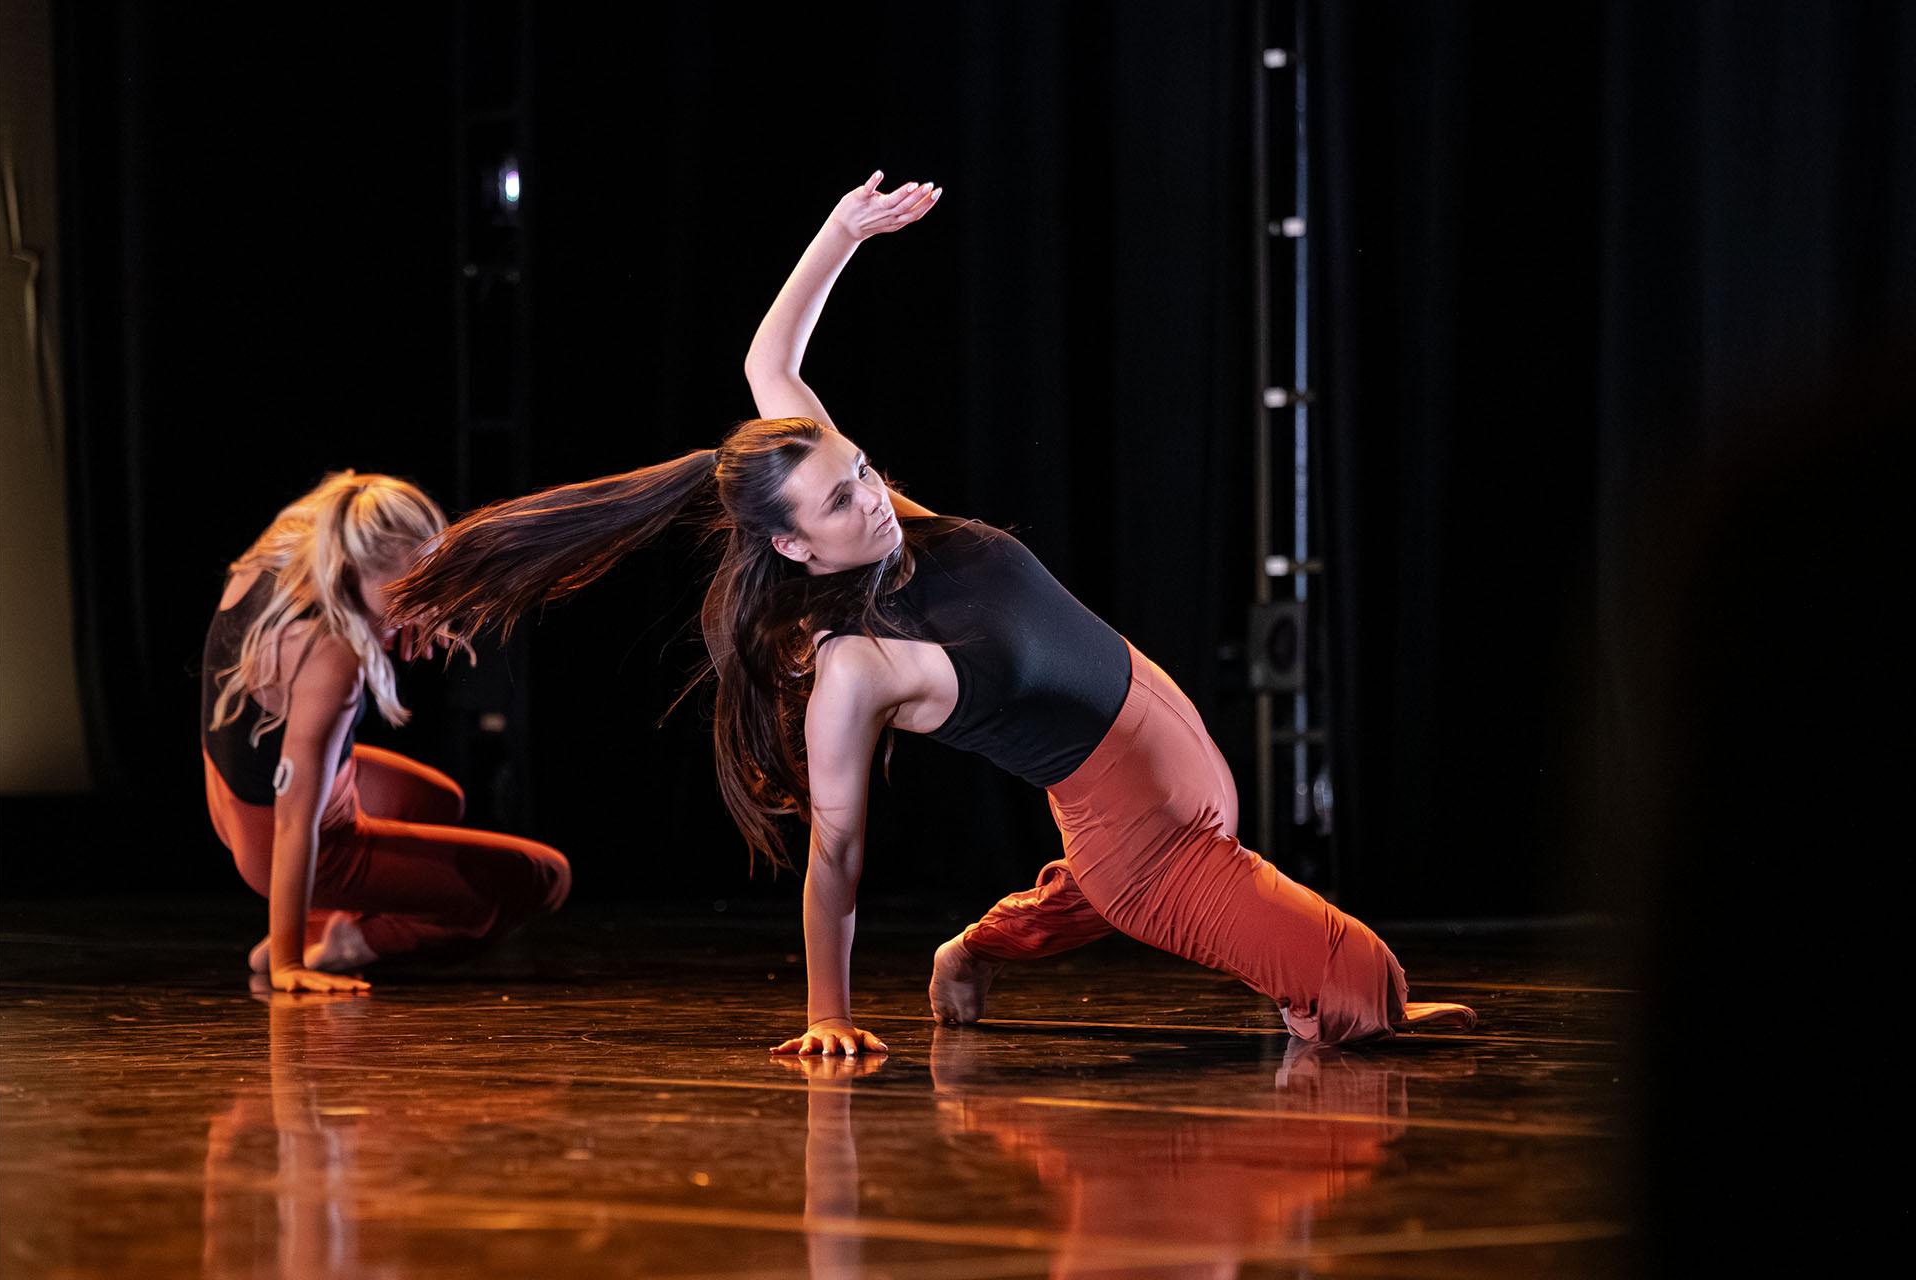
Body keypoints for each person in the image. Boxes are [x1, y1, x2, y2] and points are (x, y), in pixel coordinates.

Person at [387, 172, 1474, 1048]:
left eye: (862, 468)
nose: (873, 496)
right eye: (843, 498)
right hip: (1149, 846)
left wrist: (842, 230)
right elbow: (837, 853)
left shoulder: (885, 514)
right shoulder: (856, 666)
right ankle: (1310, 993)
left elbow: (769, 359)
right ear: (793, 543)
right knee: (1362, 985)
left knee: (1080, 895)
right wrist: (829, 1014)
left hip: (1166, 792)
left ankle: (973, 947)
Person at [201, 470, 572, 994]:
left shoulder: (296, 537)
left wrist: (395, 613)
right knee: (542, 877)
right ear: (354, 570)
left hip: (230, 789)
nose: (419, 605)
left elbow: (351, 485)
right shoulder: (329, 655)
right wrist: (287, 966)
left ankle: (315, 926)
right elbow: (294, 820)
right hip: (272, 830)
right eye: (406, 591)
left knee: (437, 801)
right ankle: (342, 941)